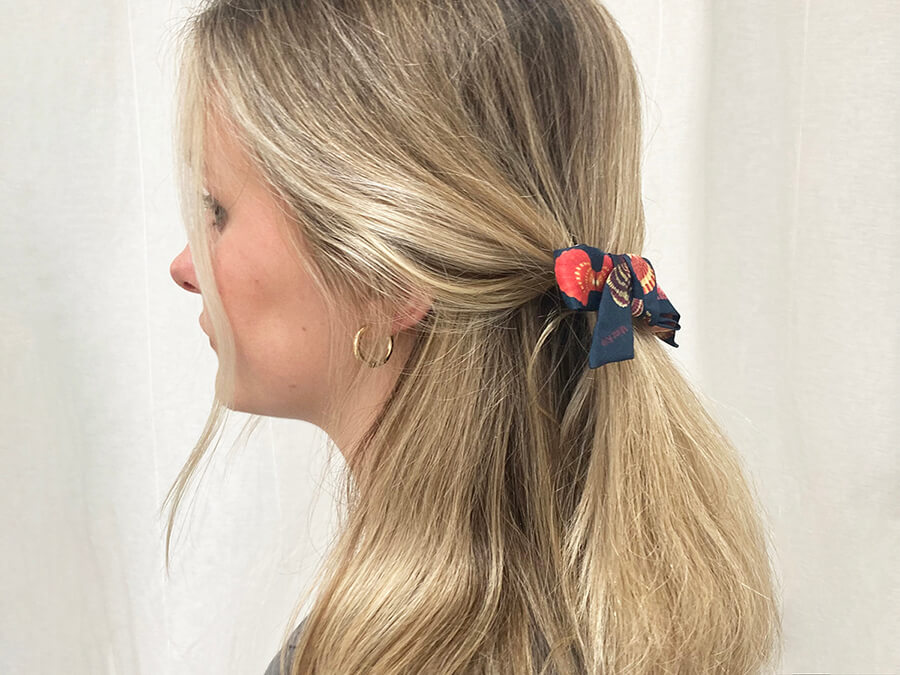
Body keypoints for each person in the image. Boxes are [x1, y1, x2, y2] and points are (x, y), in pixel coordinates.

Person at [166, 0, 782, 673]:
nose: (184, 266)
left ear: (389, 277)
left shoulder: (395, 654)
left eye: (217, 211)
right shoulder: (614, 609)